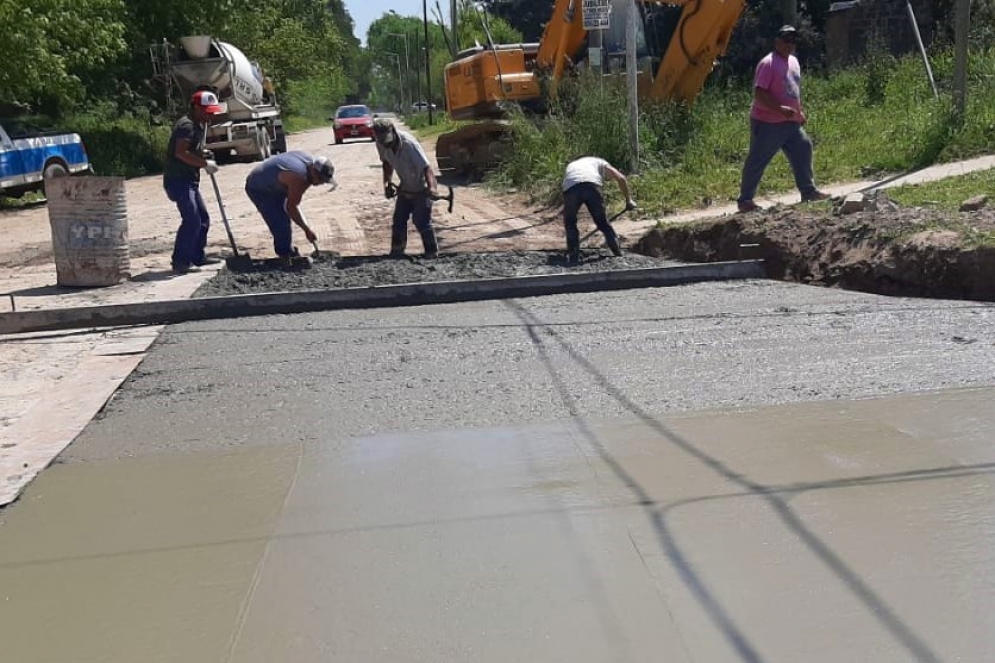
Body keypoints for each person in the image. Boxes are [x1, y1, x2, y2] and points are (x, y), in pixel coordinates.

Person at [737, 25, 830, 214]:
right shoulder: (768, 63)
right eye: (786, 39)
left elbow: (792, 91)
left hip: (790, 122)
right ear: (777, 41)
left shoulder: (794, 61)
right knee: (758, 159)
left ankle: (808, 192)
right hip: (767, 122)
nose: (790, 44)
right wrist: (779, 109)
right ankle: (745, 200)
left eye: (793, 40)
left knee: (804, 147)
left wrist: (798, 112)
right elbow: (759, 93)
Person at [163, 90, 224, 274]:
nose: (211, 115)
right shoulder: (187, 126)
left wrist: (202, 154)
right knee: (192, 219)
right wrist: (204, 164)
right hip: (178, 180)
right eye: (207, 111)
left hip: (189, 180)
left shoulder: (197, 125)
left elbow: (190, 149)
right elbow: (180, 152)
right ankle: (180, 261)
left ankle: (197, 256)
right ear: (196, 108)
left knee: (202, 218)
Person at [244, 151, 335, 262]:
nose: (321, 183)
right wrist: (306, 230)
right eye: (320, 179)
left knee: (284, 218)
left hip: (276, 183)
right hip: (259, 188)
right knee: (281, 222)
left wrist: (306, 228)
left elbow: (293, 204)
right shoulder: (298, 178)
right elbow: (291, 207)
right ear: (313, 171)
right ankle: (286, 256)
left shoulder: (307, 162)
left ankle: (288, 254)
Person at [372, 118, 440, 259]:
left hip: (421, 188)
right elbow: (386, 163)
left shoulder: (409, 145)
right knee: (399, 219)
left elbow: (427, 169)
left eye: (386, 138)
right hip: (405, 187)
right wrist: (387, 182)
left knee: (421, 221)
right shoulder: (380, 144)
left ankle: (431, 252)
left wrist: (432, 188)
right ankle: (397, 252)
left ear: (393, 132)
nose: (384, 143)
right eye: (380, 139)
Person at [561, 156, 636, 264]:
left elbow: (566, 185)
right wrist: (629, 200)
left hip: (571, 188)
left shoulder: (572, 165)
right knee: (603, 223)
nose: (607, 180)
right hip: (592, 186)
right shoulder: (601, 162)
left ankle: (573, 255)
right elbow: (621, 178)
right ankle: (617, 252)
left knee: (570, 222)